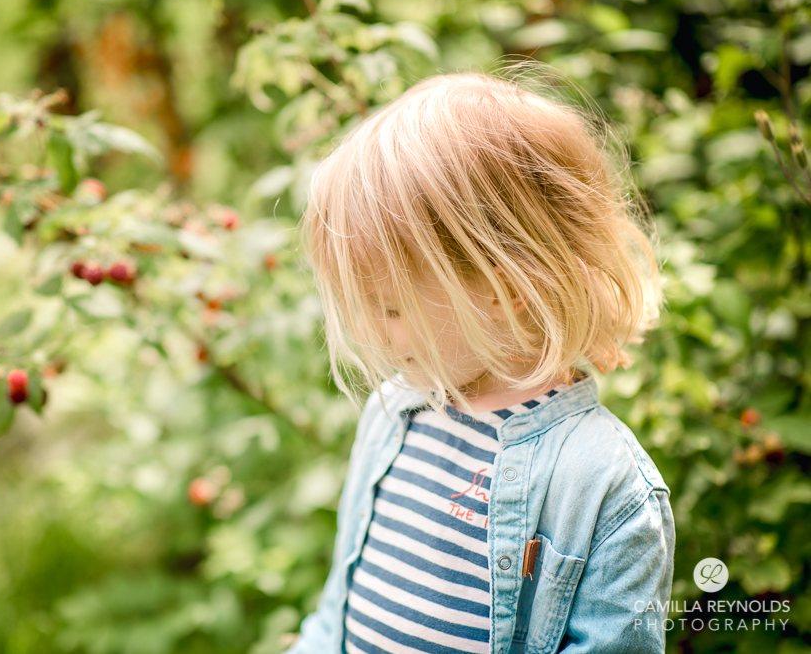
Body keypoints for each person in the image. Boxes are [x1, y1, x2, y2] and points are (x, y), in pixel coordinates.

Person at [286, 70, 675, 654]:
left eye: (389, 307)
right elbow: (337, 607)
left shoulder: (603, 487)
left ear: (505, 290)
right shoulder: (394, 416)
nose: (367, 331)